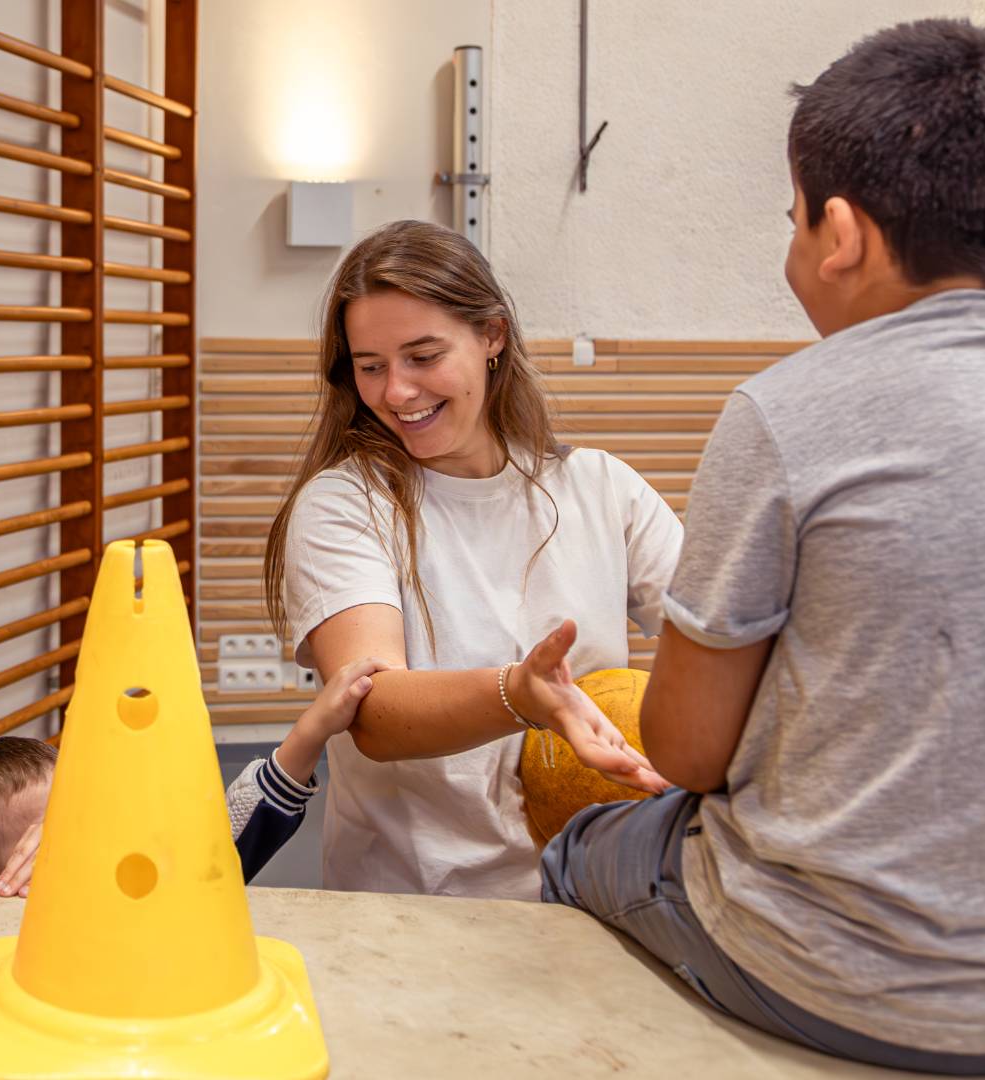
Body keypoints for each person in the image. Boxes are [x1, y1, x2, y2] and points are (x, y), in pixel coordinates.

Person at [532, 19, 985, 1073]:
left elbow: (687, 751)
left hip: (834, 978)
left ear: (841, 233)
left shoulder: (786, 412)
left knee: (577, 848)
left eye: (790, 221)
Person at [263, 219, 676, 901]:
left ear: (492, 336)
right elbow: (371, 710)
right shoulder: (344, 505)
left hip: (595, 895)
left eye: (423, 356)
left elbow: (721, 641)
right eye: (371, 366)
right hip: (419, 909)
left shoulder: (603, 488)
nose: (396, 391)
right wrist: (521, 694)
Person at [0, 657, 387, 895]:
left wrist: (313, 729)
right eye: (52, 836)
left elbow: (222, 843)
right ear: (4, 880)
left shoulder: (142, 885)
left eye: (83, 809)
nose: (87, 831)